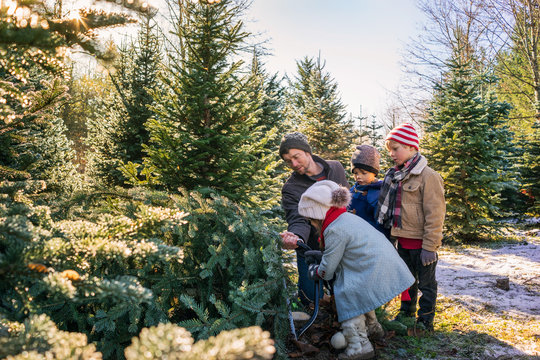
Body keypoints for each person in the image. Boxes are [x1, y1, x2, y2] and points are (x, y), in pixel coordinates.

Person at [298, 180, 415, 360]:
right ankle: (372, 327)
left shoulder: (334, 229)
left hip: (374, 268)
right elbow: (342, 254)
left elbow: (328, 270)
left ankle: (359, 346)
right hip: (383, 264)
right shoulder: (346, 218)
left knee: (347, 292)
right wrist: (323, 258)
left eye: (311, 221)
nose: (312, 225)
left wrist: (316, 270)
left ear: (318, 216)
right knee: (357, 287)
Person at [376, 123, 446, 332]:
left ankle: (425, 320)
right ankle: (406, 312)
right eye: (389, 149)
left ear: (411, 147)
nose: (391, 154)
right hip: (402, 240)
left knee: (426, 284)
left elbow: (435, 215)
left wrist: (430, 246)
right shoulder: (396, 176)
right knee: (406, 280)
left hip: (422, 245)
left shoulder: (428, 176)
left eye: (395, 148)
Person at [278, 132, 349, 305]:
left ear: (307, 152)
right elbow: (298, 218)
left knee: (346, 295)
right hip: (310, 249)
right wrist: (296, 237)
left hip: (339, 245)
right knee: (309, 299)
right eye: (288, 161)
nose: (293, 164)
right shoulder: (291, 187)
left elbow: (347, 203)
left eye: (296, 157)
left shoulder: (336, 169)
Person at [348, 145, 389, 238]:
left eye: (364, 173)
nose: (358, 176)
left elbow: (381, 224)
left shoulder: (378, 194)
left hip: (370, 239)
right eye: (355, 173)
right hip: (352, 237)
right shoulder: (352, 191)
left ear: (374, 172)